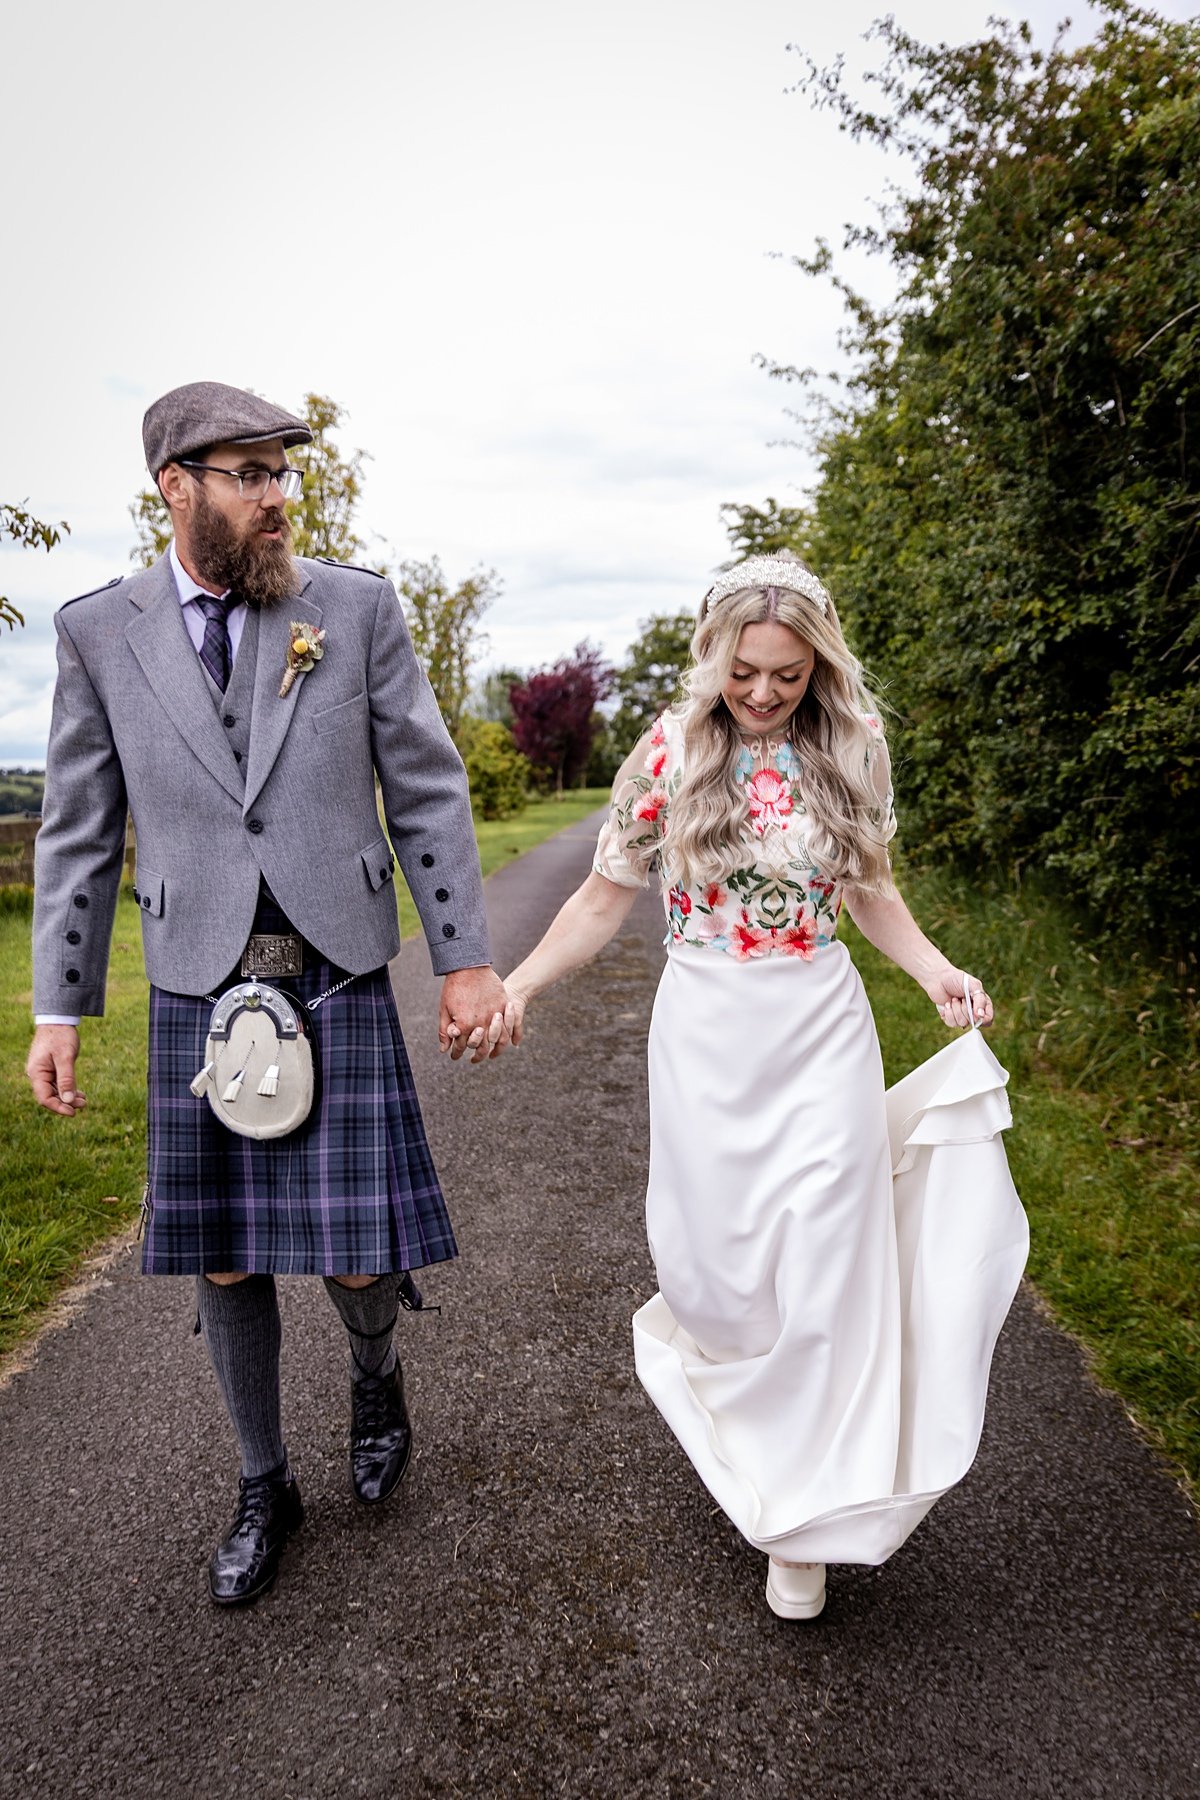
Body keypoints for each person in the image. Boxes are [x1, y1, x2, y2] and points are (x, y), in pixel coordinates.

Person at [26, 381, 510, 1606]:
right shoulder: (98, 632)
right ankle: (263, 1483)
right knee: (227, 1260)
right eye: (247, 473)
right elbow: (78, 829)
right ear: (174, 487)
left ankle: (376, 1378)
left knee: (356, 1255)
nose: (276, 495)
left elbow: (426, 786)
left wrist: (463, 957)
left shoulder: (353, 607)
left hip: (334, 962)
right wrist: (58, 1007)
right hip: (196, 980)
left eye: (281, 471)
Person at [483, 554, 1027, 1621]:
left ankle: (805, 1524)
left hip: (820, 1027)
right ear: (712, 659)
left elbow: (871, 892)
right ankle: (754, 1421)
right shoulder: (669, 751)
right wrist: (521, 986)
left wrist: (936, 971)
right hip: (706, 1033)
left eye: (787, 673)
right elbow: (601, 899)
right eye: (744, 673)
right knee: (717, 1279)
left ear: (818, 665)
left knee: (828, 1259)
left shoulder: (856, 745)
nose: (765, 693)